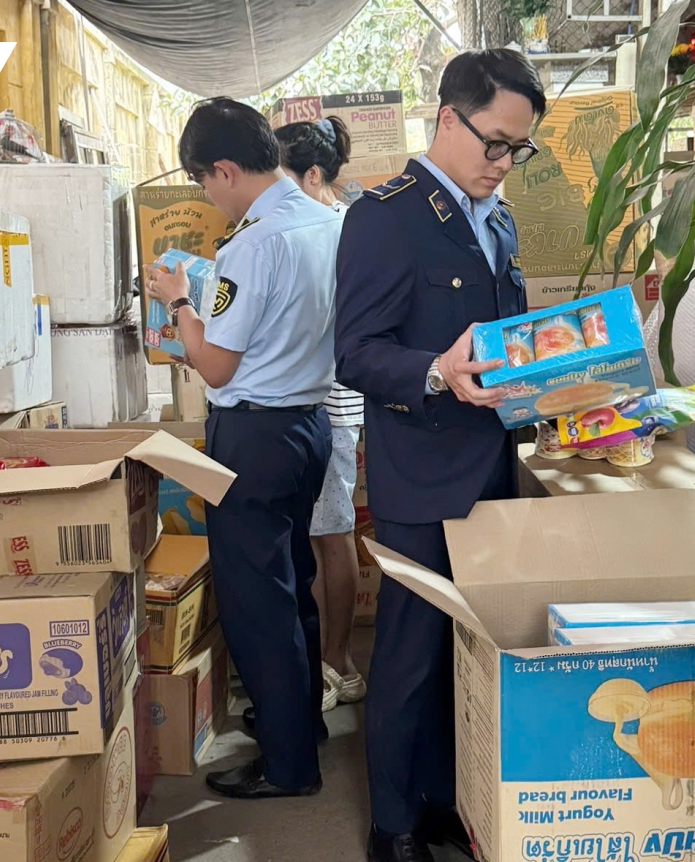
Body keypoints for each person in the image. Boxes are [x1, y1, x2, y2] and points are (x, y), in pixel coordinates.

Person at [334, 50, 546, 862]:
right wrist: (435, 372)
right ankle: (392, 825)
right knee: (410, 656)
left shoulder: (498, 220)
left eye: (518, 149)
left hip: (494, 470)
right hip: (421, 475)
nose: (504, 164)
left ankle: (442, 799)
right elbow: (355, 353)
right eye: (495, 143)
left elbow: (504, 340)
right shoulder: (385, 217)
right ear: (447, 118)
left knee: (471, 655)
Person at [145, 97, 342, 800]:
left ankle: (289, 766)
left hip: (255, 436)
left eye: (203, 180)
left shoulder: (251, 245)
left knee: (259, 603)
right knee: (292, 584)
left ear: (224, 170)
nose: (208, 195)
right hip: (309, 426)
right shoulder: (328, 221)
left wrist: (179, 301)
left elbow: (217, 366)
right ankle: (302, 725)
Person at [275, 115, 366, 714]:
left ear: (313, 176)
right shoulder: (322, 226)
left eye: (283, 181)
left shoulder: (338, 230)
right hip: (316, 401)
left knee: (333, 535)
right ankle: (328, 659)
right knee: (320, 534)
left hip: (331, 402)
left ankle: (340, 662)